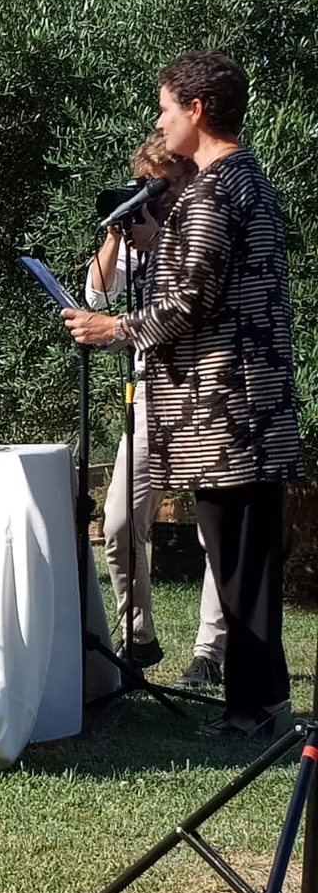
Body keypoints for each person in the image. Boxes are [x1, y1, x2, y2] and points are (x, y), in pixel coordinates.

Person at [64, 50, 303, 737]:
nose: (161, 121)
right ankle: (260, 704)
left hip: (227, 412)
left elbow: (191, 300)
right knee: (243, 568)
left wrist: (115, 328)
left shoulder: (211, 192)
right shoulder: (246, 181)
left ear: (197, 110)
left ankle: (255, 710)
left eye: (166, 107)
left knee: (240, 569)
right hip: (248, 409)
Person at [86, 132, 226, 687]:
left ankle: (210, 651)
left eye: (162, 186)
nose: (155, 196)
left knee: (215, 530)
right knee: (120, 521)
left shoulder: (203, 225)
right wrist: (116, 232)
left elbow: (195, 301)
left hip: (204, 391)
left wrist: (159, 238)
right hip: (150, 393)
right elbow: (97, 298)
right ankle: (138, 634)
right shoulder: (141, 236)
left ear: (187, 180)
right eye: (147, 185)